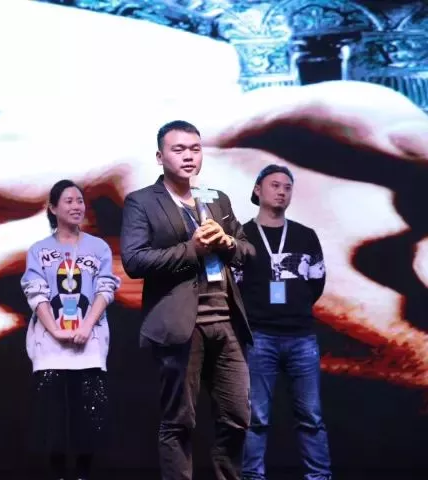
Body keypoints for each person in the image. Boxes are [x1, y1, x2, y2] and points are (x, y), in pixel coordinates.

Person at [119, 120, 255, 480]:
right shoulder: (142, 202)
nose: (189, 156)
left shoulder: (216, 198)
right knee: (179, 422)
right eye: (178, 149)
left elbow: (248, 251)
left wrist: (228, 243)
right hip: (181, 324)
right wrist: (192, 249)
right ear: (160, 157)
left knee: (238, 417)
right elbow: (134, 261)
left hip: (226, 321)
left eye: (195, 149)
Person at [234, 164, 331, 480]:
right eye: (275, 185)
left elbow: (316, 282)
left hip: (301, 337)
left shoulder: (305, 236)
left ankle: (319, 477)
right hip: (259, 336)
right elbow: (233, 285)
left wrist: (294, 307)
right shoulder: (241, 236)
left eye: (287, 187)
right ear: (257, 190)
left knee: (311, 418)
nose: (282, 192)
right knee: (256, 418)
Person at [20, 179, 120, 480]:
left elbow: (105, 288)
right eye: (69, 201)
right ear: (52, 208)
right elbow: (35, 292)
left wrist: (86, 326)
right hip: (50, 345)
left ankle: (83, 474)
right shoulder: (38, 250)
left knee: (87, 415)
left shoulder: (98, 247)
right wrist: (55, 330)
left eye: (80, 200)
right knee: (53, 416)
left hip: (89, 342)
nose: (77, 206)